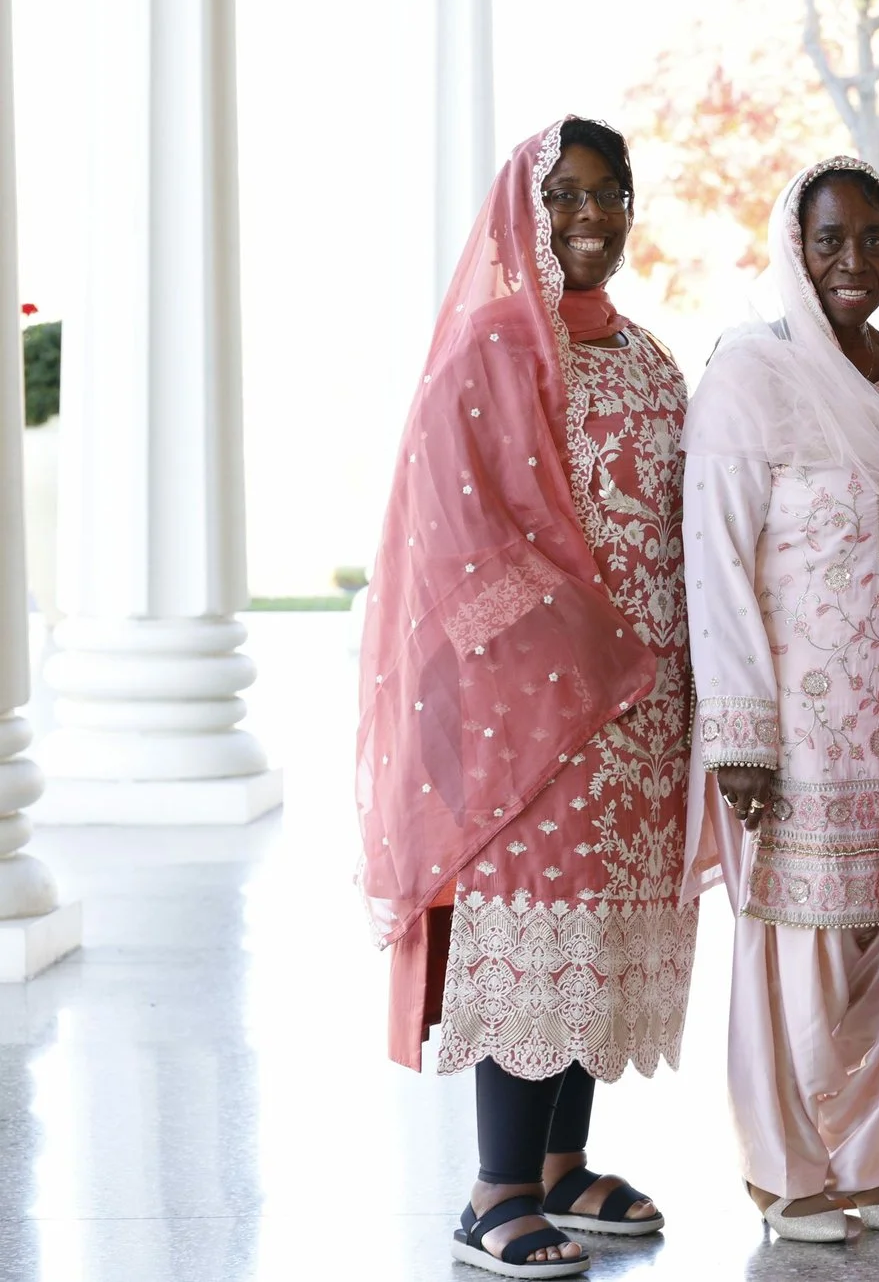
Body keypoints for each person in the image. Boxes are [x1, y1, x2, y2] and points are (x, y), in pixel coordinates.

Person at [357, 118, 696, 1278]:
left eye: (611, 193)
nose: (591, 217)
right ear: (523, 207)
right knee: (535, 929)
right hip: (535, 713)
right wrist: (583, 654)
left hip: (645, 712)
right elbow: (456, 540)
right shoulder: (491, 347)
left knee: (601, 935)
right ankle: (494, 1187)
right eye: (566, 195)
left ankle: (561, 1166)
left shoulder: (648, 355)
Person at [681, 157, 879, 1243]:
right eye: (827, 238)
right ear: (794, 246)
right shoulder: (752, 372)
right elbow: (715, 551)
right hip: (798, 725)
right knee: (798, 941)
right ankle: (790, 1170)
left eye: (870, 238)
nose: (851, 260)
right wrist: (738, 729)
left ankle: (874, 1163)